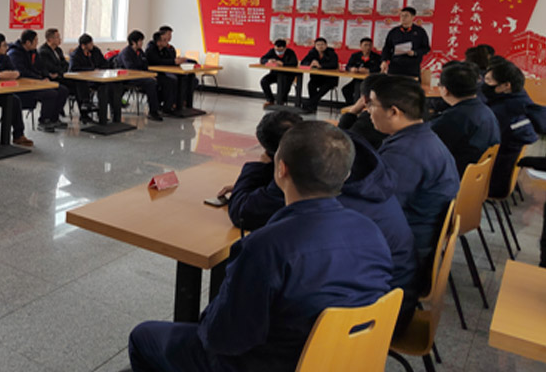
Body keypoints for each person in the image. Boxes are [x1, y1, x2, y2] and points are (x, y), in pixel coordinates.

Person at [128, 122, 393, 372]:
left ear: (281, 170)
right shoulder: (372, 232)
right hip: (344, 360)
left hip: (270, 364)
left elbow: (223, 338)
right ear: (346, 175)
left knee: (144, 336)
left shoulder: (265, 247)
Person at [222, 112, 418, 334]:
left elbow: (244, 211)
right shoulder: (351, 159)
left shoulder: (299, 192)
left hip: (343, 332)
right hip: (386, 312)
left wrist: (259, 168)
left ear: (281, 168)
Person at [367, 75, 459, 271]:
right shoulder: (423, 137)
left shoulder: (404, 154)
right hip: (421, 237)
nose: (368, 110)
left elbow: (377, 207)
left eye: (372, 104)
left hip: (404, 254)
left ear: (393, 112)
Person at [483, 60, 546, 197]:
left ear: (506, 85)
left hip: (490, 181)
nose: (484, 83)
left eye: (488, 80)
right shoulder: (520, 100)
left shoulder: (503, 111)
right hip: (501, 176)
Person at [429, 61, 500, 177]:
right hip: (475, 177)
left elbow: (427, 148)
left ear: (445, 89)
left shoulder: (454, 119)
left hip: (453, 177)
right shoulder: (485, 110)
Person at [7, 29, 68, 132]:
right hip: (23, 86)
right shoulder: (15, 53)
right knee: (50, 94)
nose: (37, 42)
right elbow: (22, 72)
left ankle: (54, 118)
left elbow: (41, 66)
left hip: (36, 82)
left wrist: (45, 76)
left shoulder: (33, 51)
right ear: (28, 42)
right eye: (35, 40)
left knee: (62, 90)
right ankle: (44, 121)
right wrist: (39, 79)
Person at [117, 30, 163, 121]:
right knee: (150, 82)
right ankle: (153, 111)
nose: (142, 43)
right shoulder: (126, 53)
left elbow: (145, 65)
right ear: (133, 42)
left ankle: (159, 106)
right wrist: (145, 75)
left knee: (161, 80)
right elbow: (131, 69)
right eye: (140, 41)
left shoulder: (140, 52)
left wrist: (148, 74)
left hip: (140, 76)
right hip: (128, 78)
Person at [145, 29, 191, 114]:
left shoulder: (166, 49)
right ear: (158, 42)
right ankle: (168, 106)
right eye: (164, 40)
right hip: (153, 73)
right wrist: (173, 61)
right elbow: (157, 61)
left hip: (164, 72)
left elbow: (170, 59)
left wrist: (176, 60)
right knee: (170, 81)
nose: (167, 42)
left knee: (186, 78)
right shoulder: (151, 49)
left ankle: (179, 103)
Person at [337, 73, 388, 149]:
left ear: (364, 99)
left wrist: (352, 111)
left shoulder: (369, 120)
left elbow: (339, 143)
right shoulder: (398, 118)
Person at [38, 28, 78, 118]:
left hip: (60, 76)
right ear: (50, 39)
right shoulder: (43, 52)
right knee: (63, 90)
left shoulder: (58, 50)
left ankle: (84, 110)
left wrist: (60, 72)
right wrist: (60, 71)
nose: (60, 39)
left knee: (78, 84)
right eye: (57, 37)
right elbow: (51, 68)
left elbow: (66, 65)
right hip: (51, 78)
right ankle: (54, 114)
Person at [381, 6, 430, 78]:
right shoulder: (394, 31)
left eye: (406, 16)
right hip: (395, 67)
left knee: (411, 85)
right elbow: (387, 47)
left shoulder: (420, 32)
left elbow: (426, 48)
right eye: (401, 15)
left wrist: (415, 52)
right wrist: (384, 60)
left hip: (412, 68)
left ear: (413, 17)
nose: (403, 18)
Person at [68, 33, 109, 117]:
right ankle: (85, 109)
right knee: (82, 85)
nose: (92, 45)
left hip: (97, 78)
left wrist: (99, 69)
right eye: (90, 44)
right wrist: (92, 69)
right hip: (83, 81)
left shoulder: (95, 51)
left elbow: (104, 63)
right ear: (83, 46)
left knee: (106, 86)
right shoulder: (76, 55)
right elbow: (74, 69)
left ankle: (103, 113)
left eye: (92, 42)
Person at [300, 37, 339, 113]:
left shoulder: (332, 53)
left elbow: (334, 65)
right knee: (311, 85)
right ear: (315, 46)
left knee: (323, 88)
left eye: (322, 44)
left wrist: (320, 66)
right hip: (317, 78)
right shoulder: (312, 53)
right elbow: (303, 62)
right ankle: (312, 106)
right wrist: (310, 64)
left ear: (326, 45)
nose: (320, 46)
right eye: (318, 45)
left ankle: (310, 104)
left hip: (330, 79)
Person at [341, 37, 382, 104]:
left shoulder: (377, 57)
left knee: (358, 87)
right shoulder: (355, 56)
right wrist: (351, 69)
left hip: (370, 81)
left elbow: (379, 69)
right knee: (346, 89)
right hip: (357, 78)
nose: (368, 47)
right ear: (360, 46)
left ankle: (356, 106)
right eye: (365, 45)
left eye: (370, 45)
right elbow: (348, 66)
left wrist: (368, 70)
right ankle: (350, 105)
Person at [258, 39, 298, 107]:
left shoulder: (290, 52)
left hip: (287, 75)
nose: (278, 52)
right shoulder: (272, 51)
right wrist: (268, 61)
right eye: (277, 50)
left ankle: (282, 101)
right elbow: (262, 59)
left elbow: (294, 63)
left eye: (280, 50)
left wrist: (283, 64)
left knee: (285, 83)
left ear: (285, 48)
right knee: (264, 81)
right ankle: (270, 100)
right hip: (275, 74)